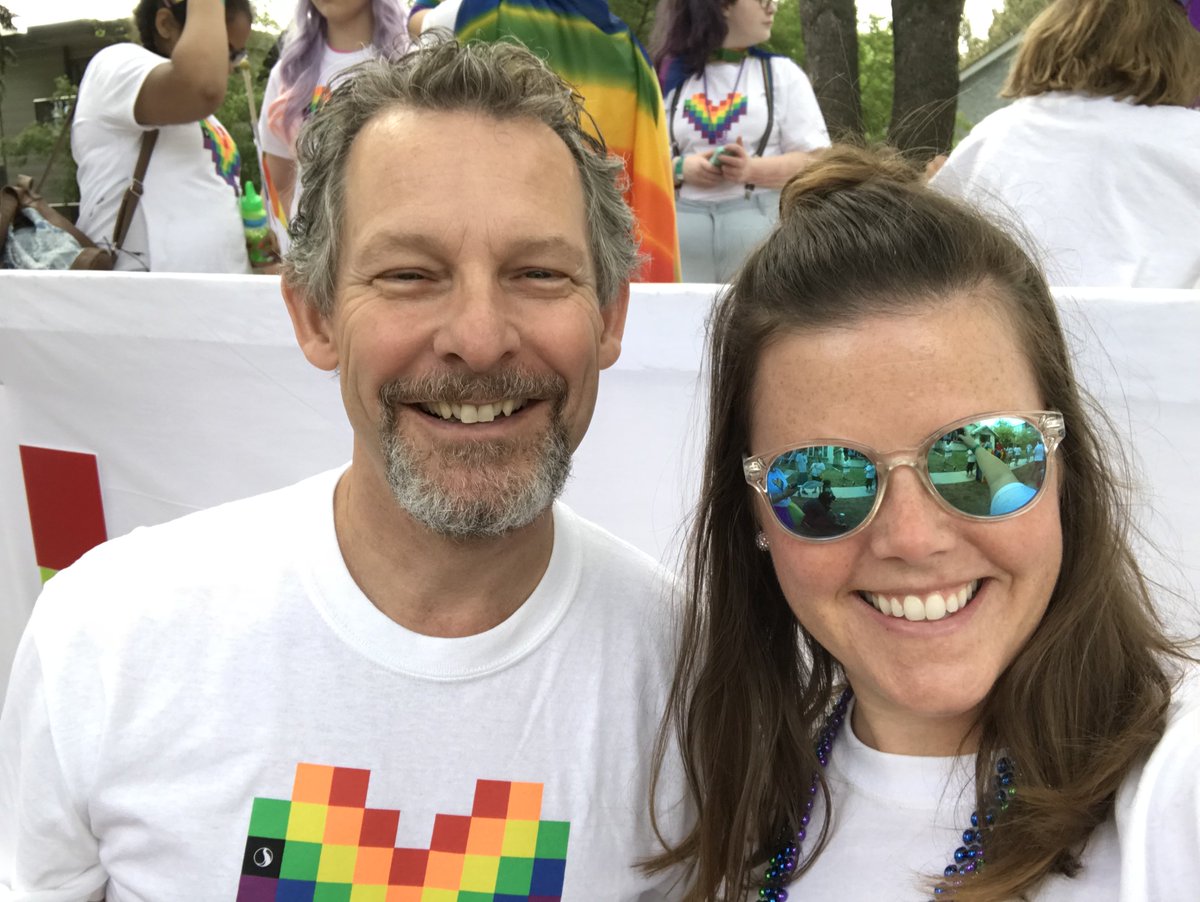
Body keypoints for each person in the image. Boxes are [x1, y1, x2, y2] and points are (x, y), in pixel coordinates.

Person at [0, 40, 688, 897]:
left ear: (611, 314)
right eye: (409, 274)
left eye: (538, 273)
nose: (478, 336)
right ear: (315, 314)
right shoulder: (104, 639)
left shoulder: (692, 686)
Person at [645, 145, 1199, 899]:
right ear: (756, 516)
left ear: (1063, 466)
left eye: (980, 457)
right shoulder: (724, 807)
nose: (911, 537)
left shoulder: (1177, 786)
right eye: (825, 482)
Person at [932, 0, 1200, 288]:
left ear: (1050, 39)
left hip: (1018, 327)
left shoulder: (995, 137)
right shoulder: (1189, 138)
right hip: (1167, 329)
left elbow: (928, 250)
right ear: (1181, 53)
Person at [409, 0, 681, 282]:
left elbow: (419, 22)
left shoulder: (478, 17)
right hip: (593, 286)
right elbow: (648, 213)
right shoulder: (631, 57)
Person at [650, 0, 830, 282]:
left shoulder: (782, 75)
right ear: (723, 5)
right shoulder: (666, 77)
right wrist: (681, 167)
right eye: (763, 0)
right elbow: (635, 163)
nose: (773, 7)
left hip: (762, 235)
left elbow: (819, 162)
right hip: (680, 235)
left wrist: (751, 170)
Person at [72, 0, 256, 273]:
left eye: (237, 55)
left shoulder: (207, 119)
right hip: (142, 306)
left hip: (214, 307)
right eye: (226, 50)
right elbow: (201, 86)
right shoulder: (115, 65)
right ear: (165, 24)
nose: (228, 67)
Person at [258, 0, 408, 252]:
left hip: (392, 250)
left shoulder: (412, 59)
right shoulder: (288, 74)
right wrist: (300, 239)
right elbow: (280, 177)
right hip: (313, 258)